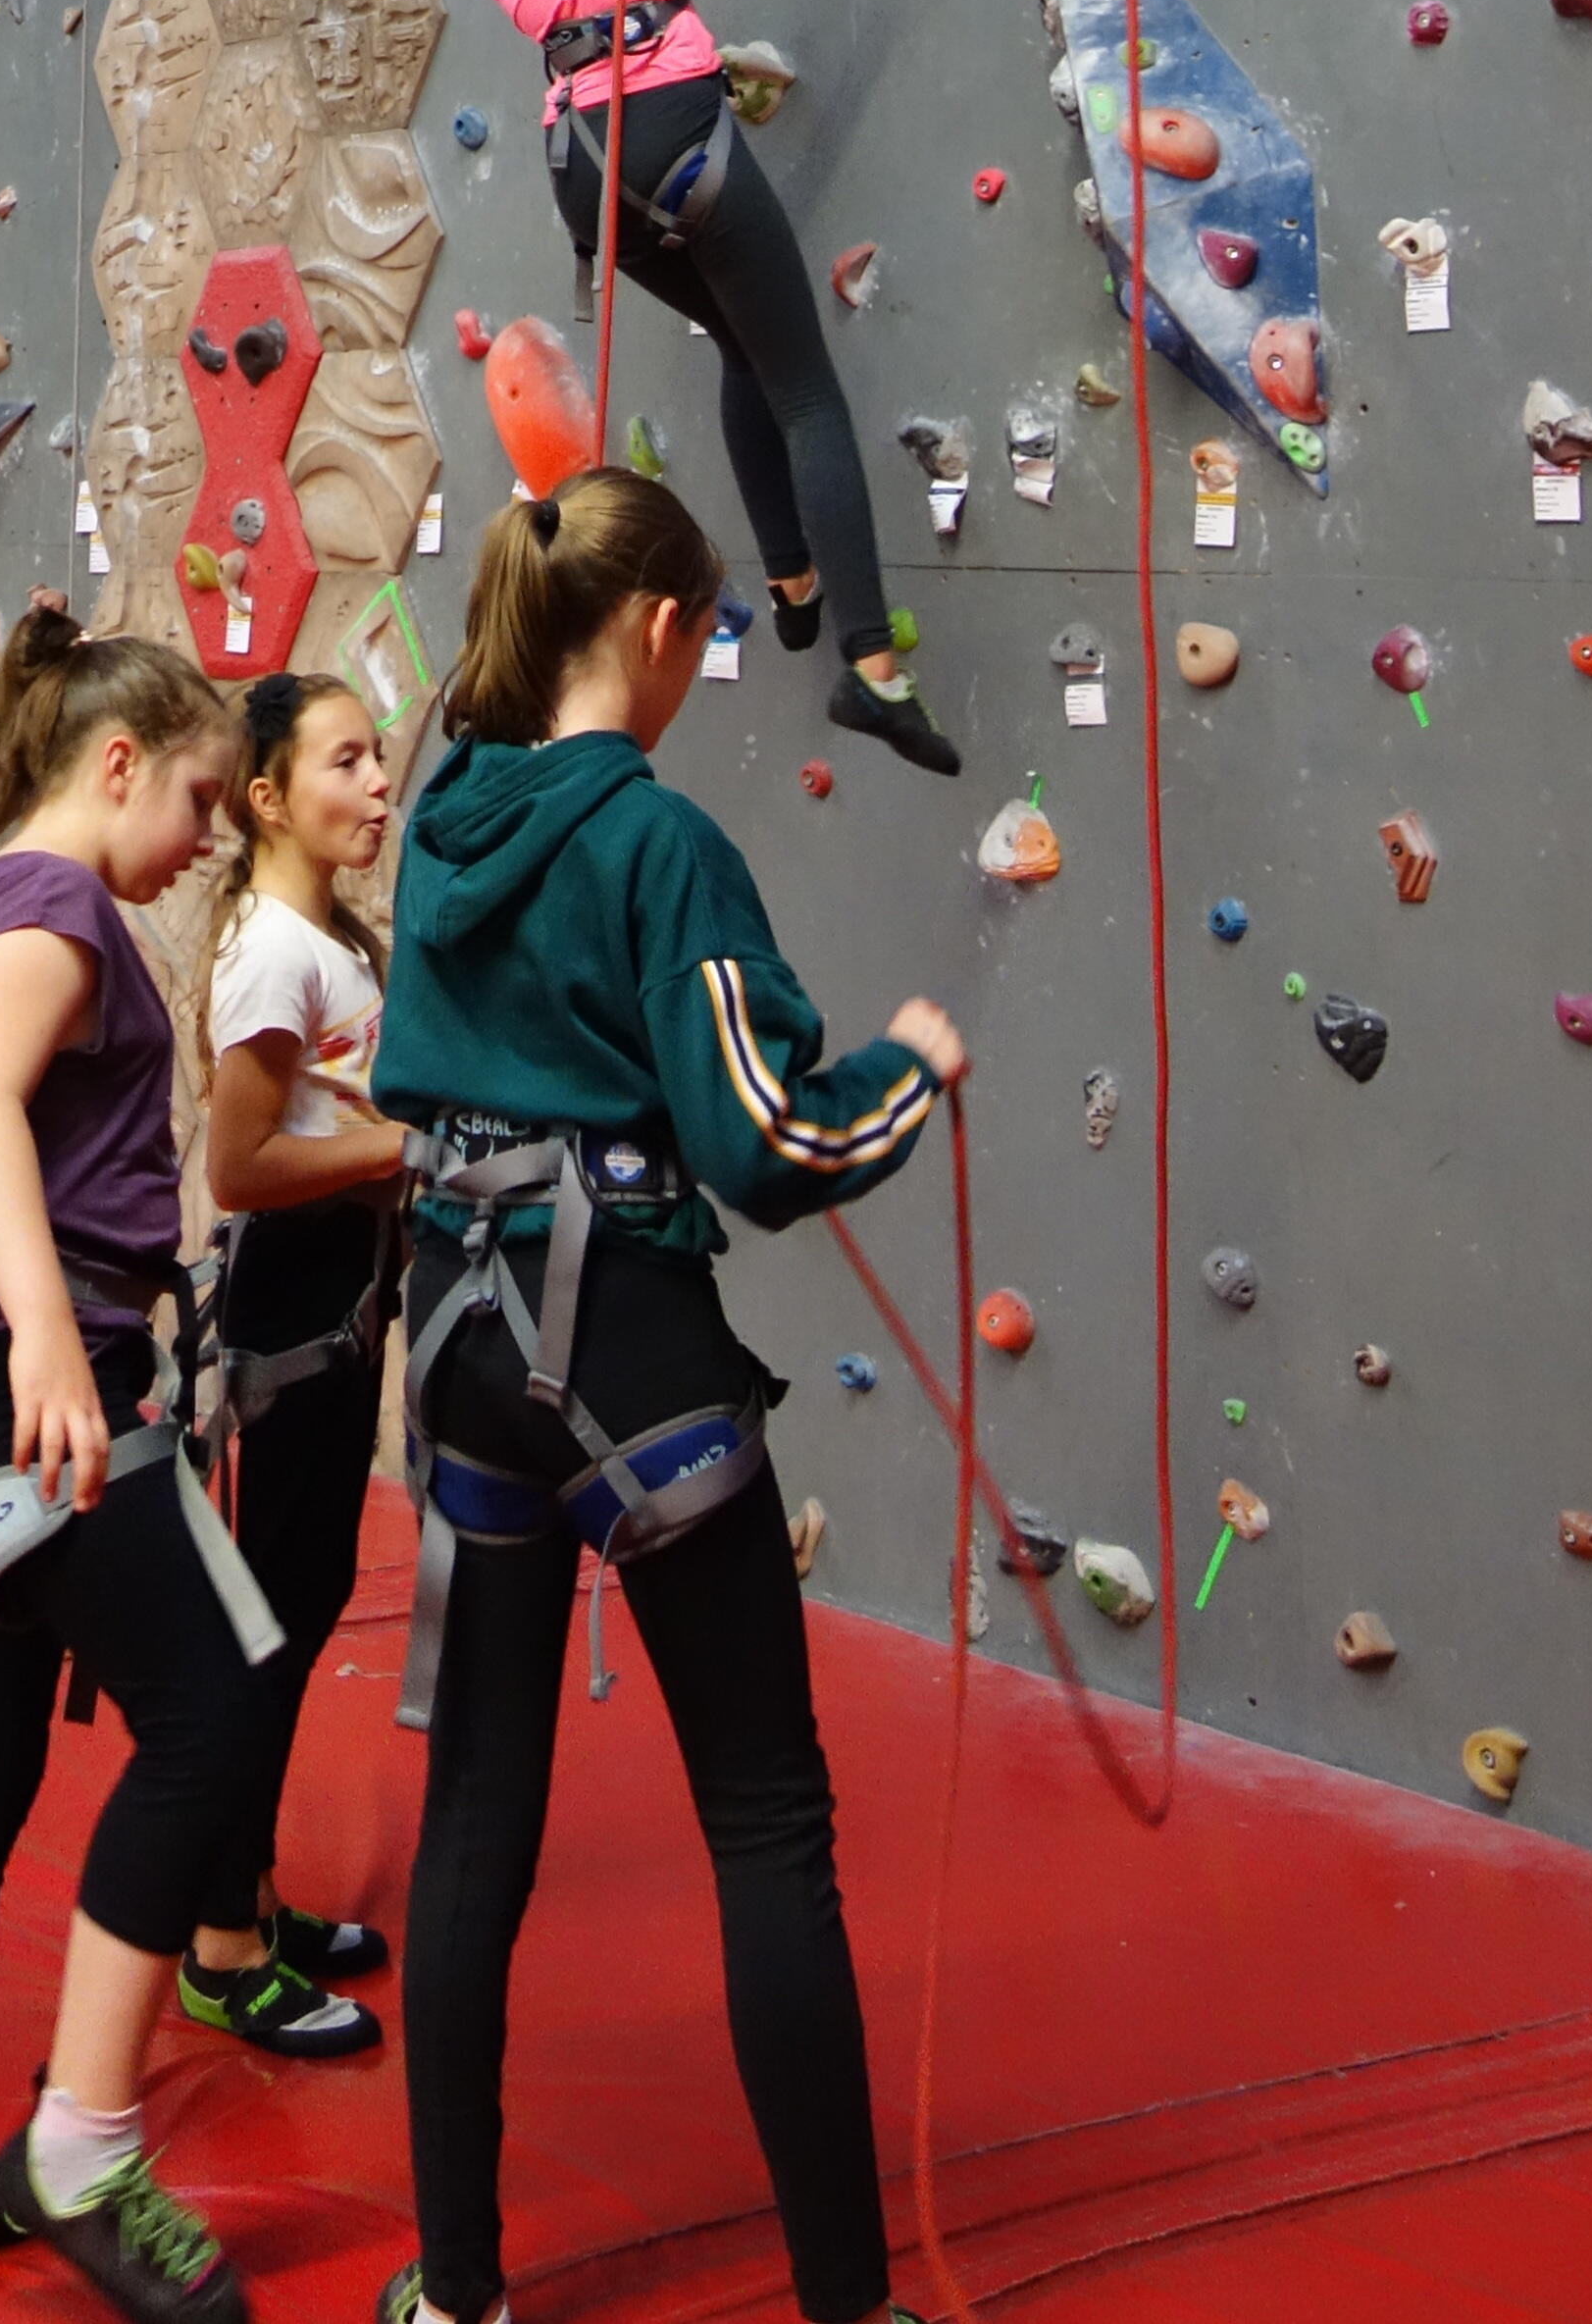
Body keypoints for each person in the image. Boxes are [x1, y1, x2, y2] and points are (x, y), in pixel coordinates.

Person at [368, 467, 963, 2324]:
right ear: (650, 628)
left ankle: (455, 2291)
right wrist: (904, 1073)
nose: (700, 671)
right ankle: (847, 2304)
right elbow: (760, 1139)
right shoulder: (655, 840)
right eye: (702, 636)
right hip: (624, 1343)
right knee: (766, 1819)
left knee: (475, 1816)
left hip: (460, 1335)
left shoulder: (445, 812)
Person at [0, 604, 271, 2324]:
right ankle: (83, 2148)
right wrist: (43, 1330)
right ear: (116, 762)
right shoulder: (56, 909)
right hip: (16, 1364)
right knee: (216, 1709)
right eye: (199, 800)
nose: (206, 840)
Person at [428, 0, 954, 774]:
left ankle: (794, 582)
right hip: (673, 126)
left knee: (737, 339)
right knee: (804, 388)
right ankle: (872, 667)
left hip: (585, 166)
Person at [190, 667, 409, 2065]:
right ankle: (220, 1939)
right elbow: (241, 1165)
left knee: (302, 1594)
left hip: (341, 1286)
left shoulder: (324, 938)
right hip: (300, 1292)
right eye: (346, 761)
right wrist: (410, 1147)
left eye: (378, 757)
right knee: (271, 1616)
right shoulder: (274, 952)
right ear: (268, 797)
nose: (378, 783)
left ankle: (252, 1895)